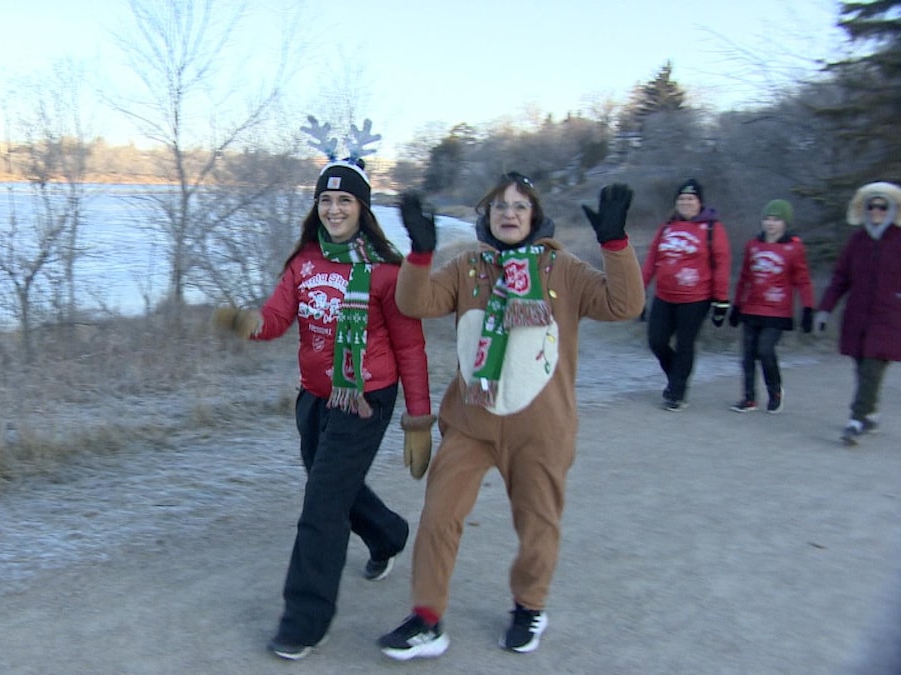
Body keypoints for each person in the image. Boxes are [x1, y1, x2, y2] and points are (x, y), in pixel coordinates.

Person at [376, 174, 643, 660]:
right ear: (487, 216)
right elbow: (414, 302)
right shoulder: (468, 266)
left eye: (520, 206)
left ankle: (529, 606)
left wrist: (615, 244)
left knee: (538, 524)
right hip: (472, 423)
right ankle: (427, 618)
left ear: (534, 215)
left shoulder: (561, 268)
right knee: (439, 516)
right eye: (499, 205)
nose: (509, 213)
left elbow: (624, 305)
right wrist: (418, 253)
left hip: (541, 429)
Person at [212, 133, 434, 660]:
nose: (334, 209)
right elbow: (276, 318)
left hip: (365, 399)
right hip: (314, 396)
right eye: (326, 200)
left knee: (321, 505)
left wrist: (419, 420)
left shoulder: (386, 271)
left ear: (362, 207)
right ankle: (387, 534)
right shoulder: (305, 263)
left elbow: (411, 347)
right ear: (317, 207)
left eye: (345, 200)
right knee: (331, 486)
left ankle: (305, 621)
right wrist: (247, 323)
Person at [814, 181, 901, 445]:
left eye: (881, 206)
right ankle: (870, 413)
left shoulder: (899, 239)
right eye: (871, 206)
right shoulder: (858, 240)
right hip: (857, 315)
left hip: (889, 316)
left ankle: (856, 419)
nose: (876, 211)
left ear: (892, 209)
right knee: (862, 365)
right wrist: (825, 310)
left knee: (873, 365)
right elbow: (841, 278)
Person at [641, 178, 732, 411]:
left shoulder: (712, 228)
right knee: (656, 341)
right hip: (664, 295)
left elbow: (722, 264)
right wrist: (639, 290)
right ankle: (676, 378)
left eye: (691, 199)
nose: (686, 203)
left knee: (685, 344)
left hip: (695, 298)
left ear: (699, 202)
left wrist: (721, 300)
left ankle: (677, 392)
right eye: (682, 199)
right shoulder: (667, 226)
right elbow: (652, 260)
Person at [727, 199, 815, 414]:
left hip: (777, 310)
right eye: (767, 219)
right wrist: (736, 306)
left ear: (785, 223)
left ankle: (775, 391)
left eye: (776, 220)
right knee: (747, 354)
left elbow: (802, 280)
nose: (771, 224)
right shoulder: (753, 245)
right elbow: (745, 277)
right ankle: (749, 398)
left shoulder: (793, 247)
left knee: (765, 350)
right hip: (751, 307)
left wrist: (808, 308)